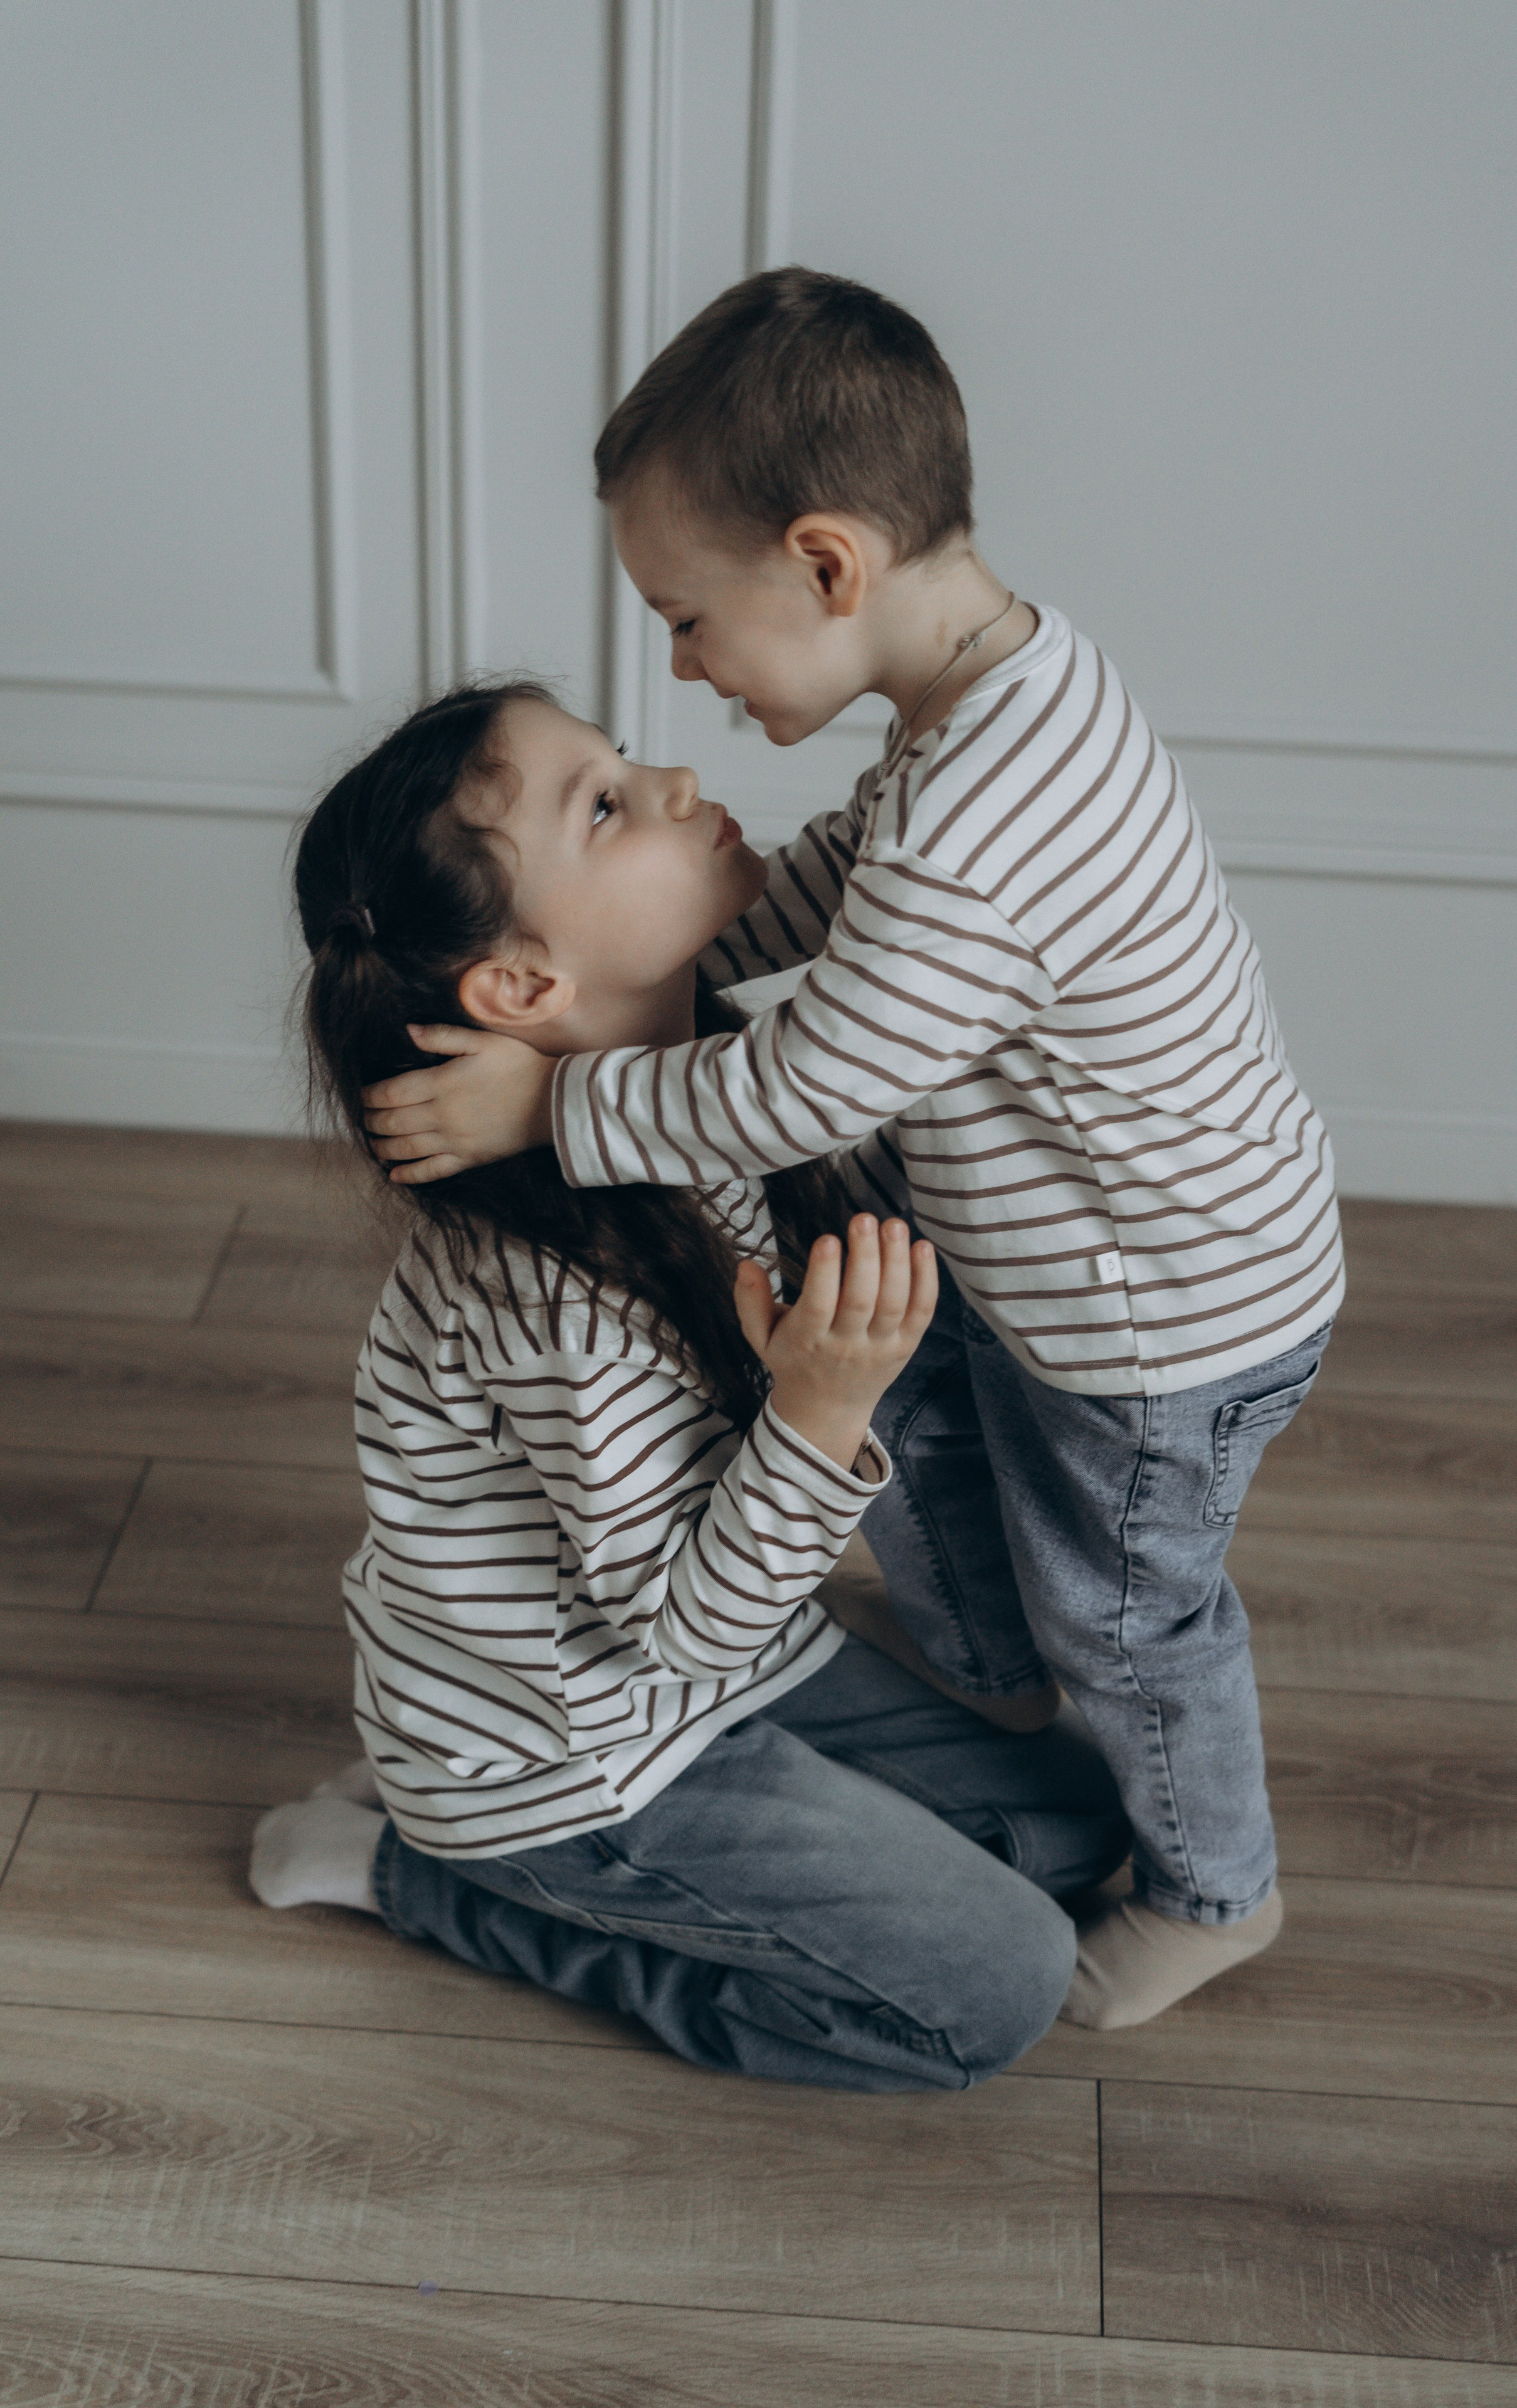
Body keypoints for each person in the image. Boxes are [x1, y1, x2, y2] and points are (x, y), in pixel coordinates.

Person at [357, 270, 1344, 2031]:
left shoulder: (985, 823)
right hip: (1064, 1281)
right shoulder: (993, 703)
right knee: (939, 1425)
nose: (679, 678)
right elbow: (843, 895)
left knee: (1127, 1617)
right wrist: (659, 967)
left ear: (824, 568)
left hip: (1157, 1325)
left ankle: (1217, 1890)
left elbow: (804, 1086)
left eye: (682, 620)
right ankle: (997, 1684)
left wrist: (555, 1096)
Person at [250, 677, 1129, 2093]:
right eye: (601, 806)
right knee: (994, 1991)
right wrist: (817, 1415)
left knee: (1084, 1822)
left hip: (721, 1663)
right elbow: (678, 1634)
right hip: (577, 1756)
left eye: (618, 759)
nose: (668, 778)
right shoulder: (550, 1297)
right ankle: (421, 1878)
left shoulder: (700, 1082)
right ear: (526, 988)